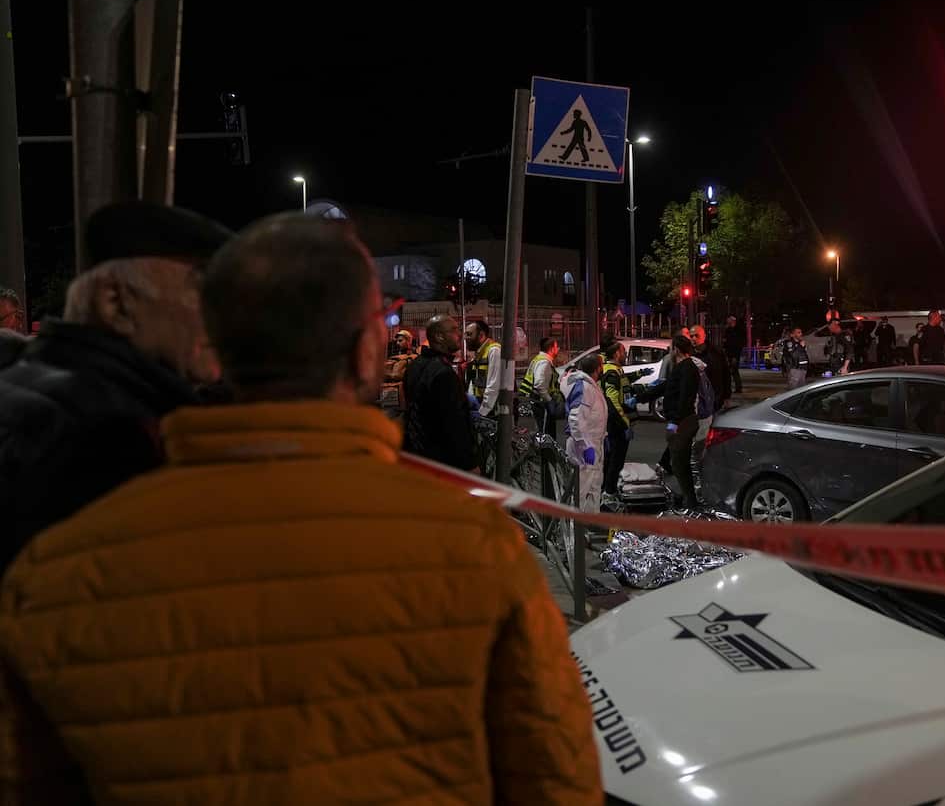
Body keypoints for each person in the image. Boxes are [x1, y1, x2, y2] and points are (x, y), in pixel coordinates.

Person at [0, 214, 603, 804]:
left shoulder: (59, 569)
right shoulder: (477, 550)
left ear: (218, 346)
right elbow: (553, 778)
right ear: (366, 352)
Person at [0, 202, 230, 568]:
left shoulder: (30, 380)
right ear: (115, 303)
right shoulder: (109, 437)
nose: (225, 317)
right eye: (201, 290)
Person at [403, 314, 478, 472]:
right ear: (439, 336)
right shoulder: (442, 372)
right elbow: (454, 422)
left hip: (417, 455)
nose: (460, 334)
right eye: (454, 330)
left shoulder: (415, 365)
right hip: (442, 461)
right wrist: (469, 464)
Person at [561, 353, 607, 512]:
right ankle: (575, 530)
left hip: (591, 444)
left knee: (592, 486)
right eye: (601, 366)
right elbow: (576, 419)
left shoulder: (588, 385)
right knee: (580, 490)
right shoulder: (585, 387)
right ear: (597, 369)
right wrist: (585, 446)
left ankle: (588, 525)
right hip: (584, 447)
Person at [664, 336, 704, 508]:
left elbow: (685, 398)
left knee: (680, 463)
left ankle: (691, 501)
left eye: (672, 348)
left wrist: (675, 421)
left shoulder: (687, 368)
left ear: (677, 350)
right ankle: (689, 498)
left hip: (684, 422)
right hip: (684, 420)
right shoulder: (684, 367)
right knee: (680, 462)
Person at [600, 340, 635, 496]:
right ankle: (609, 491)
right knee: (615, 459)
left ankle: (607, 489)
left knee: (611, 458)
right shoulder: (612, 372)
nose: (625, 354)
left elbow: (625, 386)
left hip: (613, 421)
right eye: (623, 351)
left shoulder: (615, 370)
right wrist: (625, 423)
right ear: (616, 354)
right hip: (615, 423)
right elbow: (613, 400)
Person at [519, 336, 562, 435]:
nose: (558, 349)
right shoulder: (544, 363)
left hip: (536, 401)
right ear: (551, 349)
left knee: (540, 432)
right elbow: (539, 385)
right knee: (544, 434)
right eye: (556, 347)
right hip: (541, 403)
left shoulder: (538, 359)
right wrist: (549, 400)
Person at [464, 319, 500, 416]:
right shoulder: (480, 352)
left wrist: (483, 412)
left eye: (469, 334)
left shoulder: (494, 351)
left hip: (492, 409)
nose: (465, 338)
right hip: (480, 404)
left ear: (481, 335)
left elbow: (493, 385)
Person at [691, 324, 731, 410]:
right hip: (697, 401)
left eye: (696, 335)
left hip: (716, 398)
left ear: (704, 336)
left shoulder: (716, 353)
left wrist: (727, 396)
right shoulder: (688, 354)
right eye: (691, 336)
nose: (693, 338)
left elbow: (726, 374)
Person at [723, 314, 745, 393]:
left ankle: (738, 387)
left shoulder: (737, 331)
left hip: (734, 354)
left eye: (729, 321)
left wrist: (735, 356)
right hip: (729, 353)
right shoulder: (728, 330)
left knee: (734, 370)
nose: (727, 322)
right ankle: (733, 387)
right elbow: (725, 342)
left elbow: (738, 345)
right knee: (731, 371)